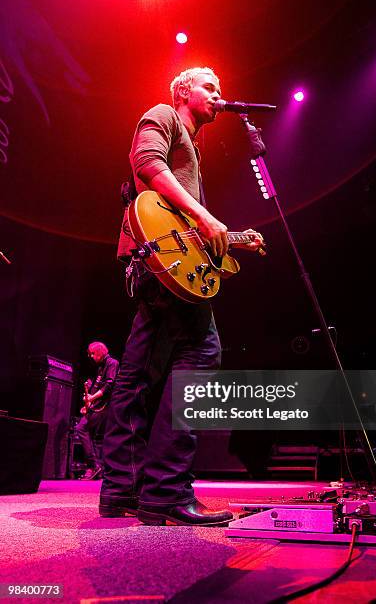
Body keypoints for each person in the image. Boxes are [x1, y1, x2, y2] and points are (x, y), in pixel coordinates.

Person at [99, 67, 264, 525]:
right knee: (198, 361)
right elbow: (146, 165)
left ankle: (122, 490)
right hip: (161, 264)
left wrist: (232, 240)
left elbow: (189, 231)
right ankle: (166, 492)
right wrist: (207, 218)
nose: (219, 95)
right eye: (210, 87)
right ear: (183, 91)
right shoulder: (163, 115)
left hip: (162, 264)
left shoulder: (194, 150)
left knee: (135, 379)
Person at [76, 342, 119, 480]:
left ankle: (94, 466)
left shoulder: (112, 363)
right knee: (96, 438)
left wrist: (92, 397)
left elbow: (109, 385)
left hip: (104, 407)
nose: (91, 356)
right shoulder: (100, 367)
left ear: (100, 352)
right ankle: (98, 468)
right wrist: (88, 401)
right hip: (97, 406)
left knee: (81, 428)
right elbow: (97, 386)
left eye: (93, 353)